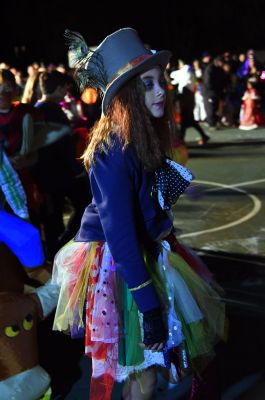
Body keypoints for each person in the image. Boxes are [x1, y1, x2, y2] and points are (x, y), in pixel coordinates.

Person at [52, 28, 226, 400]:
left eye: (160, 80)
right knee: (146, 373)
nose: (160, 90)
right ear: (127, 94)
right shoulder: (111, 148)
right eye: (147, 84)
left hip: (146, 253)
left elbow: (149, 204)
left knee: (144, 375)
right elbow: (121, 235)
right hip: (123, 267)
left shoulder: (139, 133)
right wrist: (147, 306)